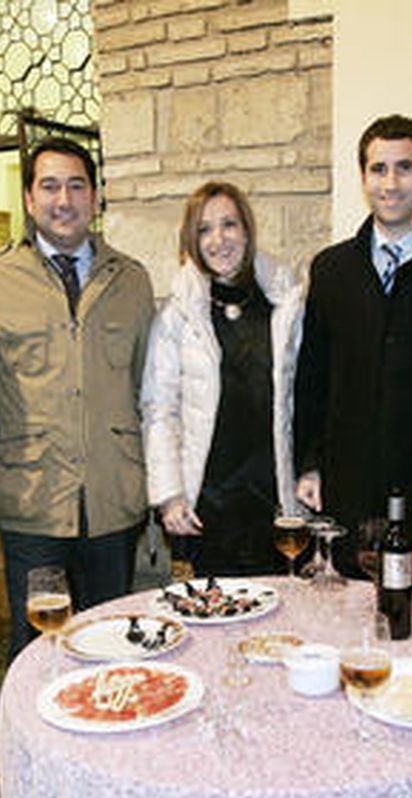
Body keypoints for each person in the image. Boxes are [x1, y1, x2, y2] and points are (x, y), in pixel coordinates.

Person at [0, 138, 155, 654]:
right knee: (36, 646)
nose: (63, 200)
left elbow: (145, 388)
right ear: (28, 198)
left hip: (112, 501)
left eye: (75, 186)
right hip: (32, 500)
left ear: (94, 197)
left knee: (110, 642)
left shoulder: (132, 281)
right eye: (49, 186)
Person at [293, 114, 412, 590]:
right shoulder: (332, 269)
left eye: (404, 168)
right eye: (378, 169)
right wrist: (310, 463)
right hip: (345, 486)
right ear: (363, 177)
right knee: (345, 624)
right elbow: (313, 375)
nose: (391, 182)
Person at [140, 181, 305, 576]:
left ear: (246, 230)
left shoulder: (286, 306)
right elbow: (158, 410)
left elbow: (306, 399)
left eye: (229, 224)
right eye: (204, 229)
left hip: (273, 500)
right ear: (192, 240)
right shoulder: (176, 317)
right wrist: (169, 496)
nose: (219, 239)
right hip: (207, 504)